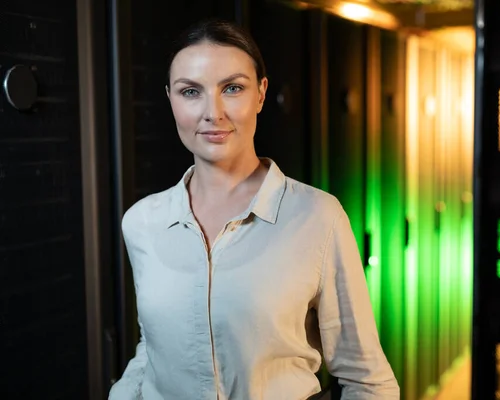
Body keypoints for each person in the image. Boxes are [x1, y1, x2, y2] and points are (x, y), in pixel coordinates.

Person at [108, 18, 399, 400]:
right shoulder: (142, 222)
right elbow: (153, 350)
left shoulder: (318, 218)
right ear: (170, 99)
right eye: (190, 92)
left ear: (261, 94)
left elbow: (369, 382)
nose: (212, 113)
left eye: (232, 88)